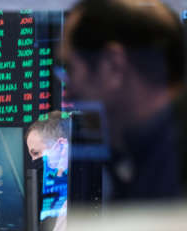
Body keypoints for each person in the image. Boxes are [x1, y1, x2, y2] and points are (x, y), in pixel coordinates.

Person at [58, 0, 187, 205]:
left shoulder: (171, 168)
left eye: (71, 69)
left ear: (113, 66)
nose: (69, 93)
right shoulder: (142, 154)